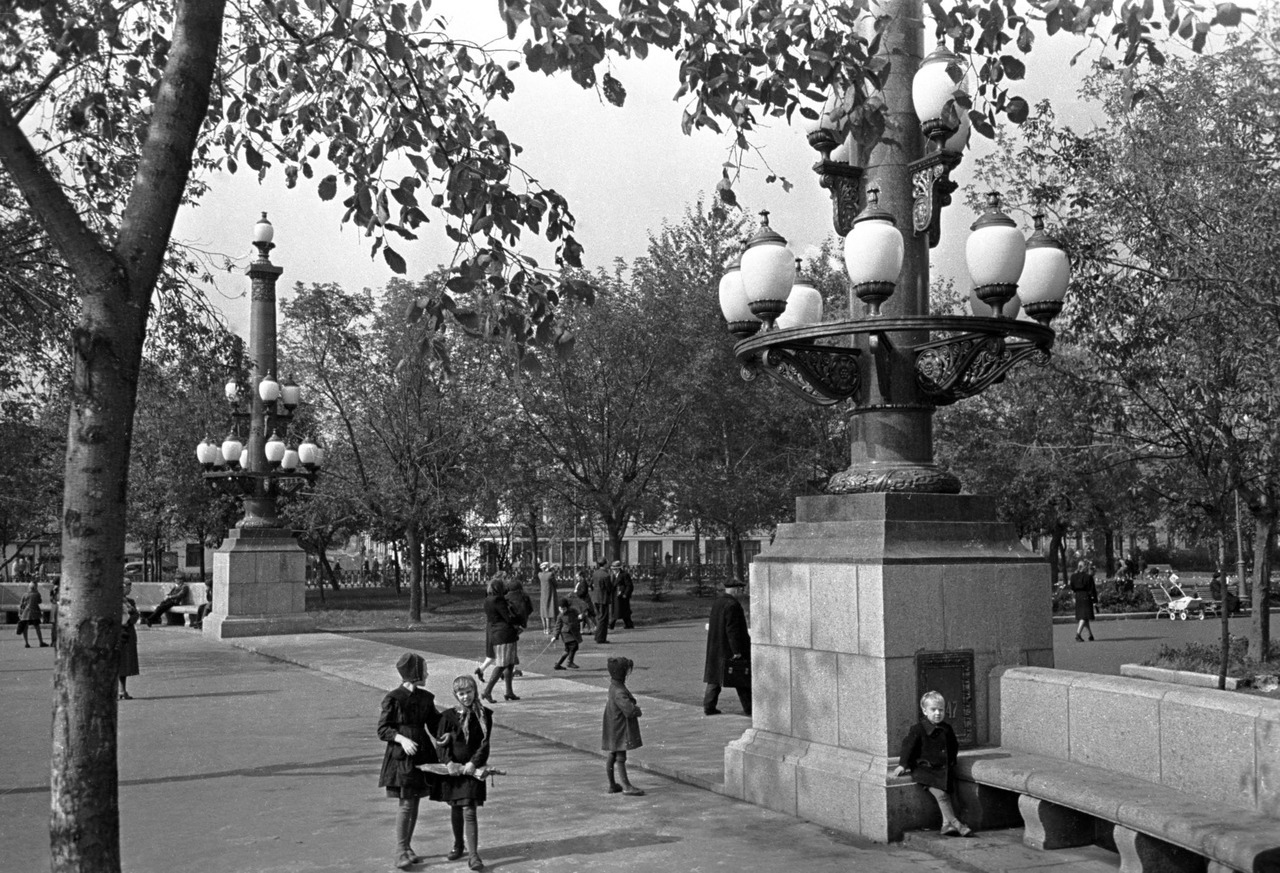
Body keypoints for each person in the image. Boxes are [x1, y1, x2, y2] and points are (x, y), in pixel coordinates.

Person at [377, 652, 442, 870]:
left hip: (422, 753)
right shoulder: (394, 698)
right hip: (402, 756)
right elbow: (383, 729)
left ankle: (408, 847)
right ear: (415, 674)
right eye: (424, 670)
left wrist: (447, 733)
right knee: (406, 803)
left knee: (414, 801)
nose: (427, 673)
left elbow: (435, 724)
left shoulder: (426, 698)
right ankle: (400, 850)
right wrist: (401, 738)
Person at [432, 675, 493, 871]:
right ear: (455, 695)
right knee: (456, 808)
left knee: (469, 809)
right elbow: (441, 745)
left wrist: (474, 763)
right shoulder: (448, 717)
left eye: (469, 692)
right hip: (454, 772)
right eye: (461, 694)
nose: (466, 697)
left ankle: (474, 856)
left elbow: (484, 744)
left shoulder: (484, 715)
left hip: (473, 770)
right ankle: (459, 844)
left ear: (475, 691)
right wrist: (449, 763)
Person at [893, 691, 973, 837]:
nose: (937, 713)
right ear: (924, 711)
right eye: (933, 710)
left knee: (948, 794)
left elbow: (953, 746)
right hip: (925, 771)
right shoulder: (918, 729)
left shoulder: (947, 728)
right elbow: (908, 746)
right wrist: (903, 765)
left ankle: (945, 825)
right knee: (941, 795)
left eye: (941, 710)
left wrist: (952, 762)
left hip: (942, 771)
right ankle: (956, 823)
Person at [703, 578, 752, 717]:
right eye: (740, 590)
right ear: (735, 590)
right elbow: (733, 630)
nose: (741, 592)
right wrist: (737, 651)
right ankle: (750, 708)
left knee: (714, 679)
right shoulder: (732, 605)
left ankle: (708, 706)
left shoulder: (718, 602)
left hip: (716, 647)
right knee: (742, 679)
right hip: (728, 649)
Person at [602, 656, 645, 796]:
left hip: (613, 725)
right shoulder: (619, 691)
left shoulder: (614, 686)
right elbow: (629, 710)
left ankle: (612, 784)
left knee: (613, 753)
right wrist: (637, 710)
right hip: (620, 728)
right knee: (621, 756)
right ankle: (626, 786)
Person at [480, 579, 520, 703]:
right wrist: (519, 622)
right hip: (505, 634)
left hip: (496, 633)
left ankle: (509, 691)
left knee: (509, 663)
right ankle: (487, 691)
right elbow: (507, 617)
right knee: (502, 664)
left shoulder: (487, 600)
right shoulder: (499, 600)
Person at [474, 575, 506, 684]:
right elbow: (505, 615)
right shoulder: (499, 600)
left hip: (490, 626)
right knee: (501, 652)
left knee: (492, 653)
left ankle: (481, 669)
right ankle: (501, 672)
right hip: (498, 628)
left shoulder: (487, 599)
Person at [118, 581, 140, 700]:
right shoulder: (113, 601)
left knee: (125, 664)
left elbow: (136, 616)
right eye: (128, 588)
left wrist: (130, 619)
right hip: (117, 633)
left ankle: (122, 690)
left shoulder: (130, 602)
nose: (129, 590)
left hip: (128, 633)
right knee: (116, 662)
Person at [1069, 560, 1097, 642]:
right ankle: (1078, 634)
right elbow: (1092, 589)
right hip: (1086, 596)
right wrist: (1095, 600)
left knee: (1084, 616)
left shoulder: (1073, 576)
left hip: (1078, 596)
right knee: (1084, 616)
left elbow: (1072, 587)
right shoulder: (1088, 577)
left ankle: (1090, 635)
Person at [552, 598, 582, 670]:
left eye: (564, 609)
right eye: (560, 609)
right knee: (573, 646)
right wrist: (555, 636)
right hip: (566, 634)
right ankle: (569, 662)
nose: (562, 611)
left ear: (567, 607)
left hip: (573, 633)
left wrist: (580, 616)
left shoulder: (573, 611)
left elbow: (578, 616)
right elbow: (557, 626)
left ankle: (558, 664)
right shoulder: (560, 616)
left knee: (568, 650)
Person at [17, 581, 47, 648]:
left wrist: (20, 613)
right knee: (37, 628)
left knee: (25, 628)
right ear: (35, 587)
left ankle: (26, 643)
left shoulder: (25, 594)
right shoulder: (37, 594)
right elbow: (39, 601)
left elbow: (21, 605)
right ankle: (41, 642)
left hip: (25, 614)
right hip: (35, 614)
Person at [590, 559, 613, 644]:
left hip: (595, 598)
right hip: (603, 598)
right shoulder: (606, 575)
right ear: (605, 564)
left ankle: (597, 636)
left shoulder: (595, 573)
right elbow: (609, 588)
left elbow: (591, 584)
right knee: (603, 618)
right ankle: (601, 638)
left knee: (599, 617)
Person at [610, 560, 635, 630]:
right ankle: (629, 624)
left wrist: (626, 594)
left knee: (619, 610)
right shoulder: (613, 576)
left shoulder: (624, 575)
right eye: (612, 569)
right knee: (623, 611)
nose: (613, 571)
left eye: (614, 569)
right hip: (615, 595)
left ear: (618, 569)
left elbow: (629, 585)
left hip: (622, 596)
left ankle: (611, 624)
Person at [536, 562, 558, 635]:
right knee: (549, 610)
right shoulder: (550, 575)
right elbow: (555, 584)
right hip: (550, 594)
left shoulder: (540, 575)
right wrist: (553, 571)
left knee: (543, 611)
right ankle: (548, 629)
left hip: (543, 594)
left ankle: (544, 629)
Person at [573, 567, 596, 634]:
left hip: (585, 601)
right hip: (582, 601)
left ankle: (591, 627)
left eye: (577, 577)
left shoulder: (583, 583)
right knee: (586, 615)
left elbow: (583, 592)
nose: (576, 578)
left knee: (588, 615)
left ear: (581, 576)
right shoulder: (580, 582)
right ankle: (587, 629)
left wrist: (576, 593)